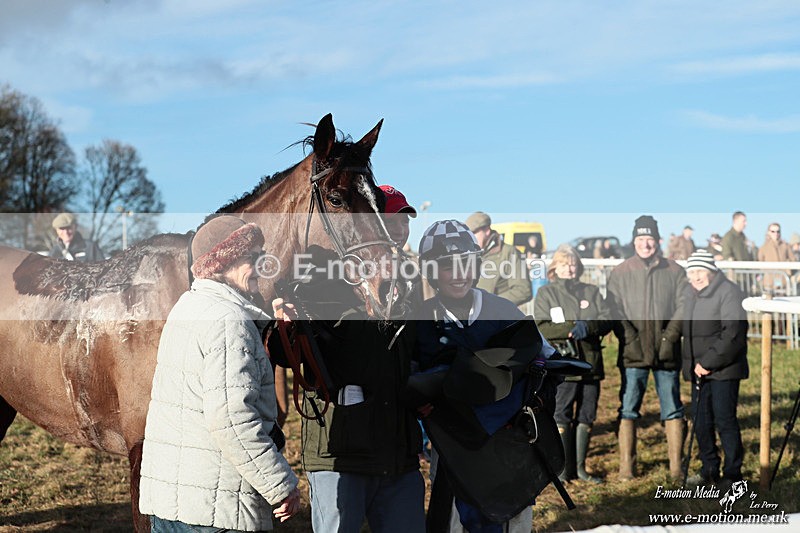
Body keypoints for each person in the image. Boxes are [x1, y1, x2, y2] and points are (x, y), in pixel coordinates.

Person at [269, 185, 426, 533]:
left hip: (398, 452)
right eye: (391, 219)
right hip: (340, 454)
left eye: (405, 219)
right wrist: (284, 325)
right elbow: (284, 354)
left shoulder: (410, 283)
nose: (400, 228)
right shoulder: (319, 279)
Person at [139, 215, 301, 532]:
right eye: (252, 257)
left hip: (175, 505)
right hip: (215, 512)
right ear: (222, 262)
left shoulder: (188, 305)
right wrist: (280, 484)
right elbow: (232, 420)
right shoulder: (228, 321)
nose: (262, 265)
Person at [414, 219, 556, 533]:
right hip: (451, 449)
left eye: (466, 263)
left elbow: (547, 361)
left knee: (510, 521)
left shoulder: (503, 311)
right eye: (448, 266)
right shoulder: (419, 320)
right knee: (449, 521)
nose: (460, 274)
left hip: (506, 447)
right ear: (432, 272)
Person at [606, 215, 687, 480]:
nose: (645, 244)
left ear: (657, 240)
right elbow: (613, 309)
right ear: (634, 241)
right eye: (640, 239)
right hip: (633, 352)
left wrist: (669, 337)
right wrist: (629, 338)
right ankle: (626, 468)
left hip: (667, 352)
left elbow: (684, 306)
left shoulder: (674, 270)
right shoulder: (620, 272)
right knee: (628, 408)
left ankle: (676, 469)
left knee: (672, 407)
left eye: (649, 238)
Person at [534, 245, 612, 484]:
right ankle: (562, 469)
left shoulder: (591, 291)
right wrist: (570, 327)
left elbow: (606, 318)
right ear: (554, 268)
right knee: (562, 414)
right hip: (564, 365)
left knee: (587, 414)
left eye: (573, 263)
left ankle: (580, 468)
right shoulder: (547, 293)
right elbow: (542, 325)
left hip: (590, 362)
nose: (570, 268)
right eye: (564, 263)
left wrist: (588, 327)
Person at [682, 250, 749, 487]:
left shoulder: (729, 292)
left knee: (724, 420)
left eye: (700, 271)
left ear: (712, 271)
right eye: (691, 272)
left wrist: (707, 363)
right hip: (699, 370)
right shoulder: (690, 294)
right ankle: (709, 468)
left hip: (724, 370)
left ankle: (733, 474)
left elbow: (733, 334)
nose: (696, 277)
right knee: (701, 421)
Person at [465, 211, 532, 306]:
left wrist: (491, 304)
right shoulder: (467, 256)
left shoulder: (508, 252)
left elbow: (523, 290)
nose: (471, 238)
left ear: (487, 230)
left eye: (474, 233)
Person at [757, 222, 794, 294]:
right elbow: (759, 263)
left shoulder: (786, 246)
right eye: (773, 231)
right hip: (769, 284)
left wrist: (788, 268)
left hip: (783, 283)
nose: (776, 233)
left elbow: (793, 260)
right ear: (768, 232)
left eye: (778, 231)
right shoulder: (763, 248)